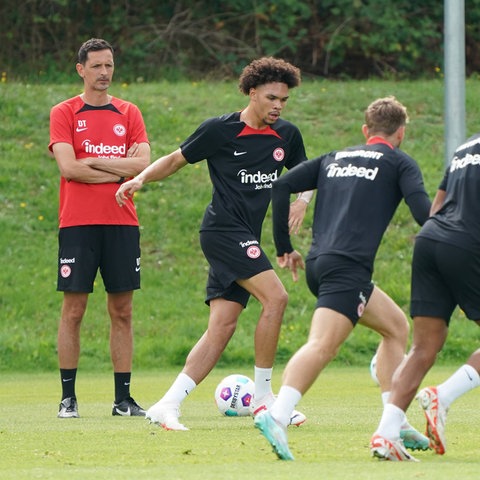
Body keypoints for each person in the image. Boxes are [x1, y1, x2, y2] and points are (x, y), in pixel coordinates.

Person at [115, 57, 311, 430]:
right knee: (277, 298)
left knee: (222, 326)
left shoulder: (287, 135)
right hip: (222, 232)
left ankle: (166, 406)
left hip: (244, 236)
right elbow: (175, 159)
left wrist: (302, 201)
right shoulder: (220, 131)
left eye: (284, 100)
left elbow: (307, 174)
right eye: (271, 98)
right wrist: (140, 179)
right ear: (251, 93)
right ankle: (264, 399)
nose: (278, 106)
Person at [253, 96, 432, 460]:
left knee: (396, 326)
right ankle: (278, 414)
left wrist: (284, 246)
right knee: (322, 346)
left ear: (366, 131)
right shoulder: (400, 162)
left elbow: (281, 186)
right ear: (401, 133)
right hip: (347, 269)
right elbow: (423, 214)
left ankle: (393, 421)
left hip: (322, 264)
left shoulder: (333, 158)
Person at [49, 38, 151, 418]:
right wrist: (117, 166)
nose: (104, 73)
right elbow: (69, 169)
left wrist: (92, 161)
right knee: (73, 311)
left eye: (109, 65)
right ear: (81, 70)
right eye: (96, 66)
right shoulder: (64, 112)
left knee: (122, 311)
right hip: (77, 224)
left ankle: (122, 401)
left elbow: (142, 166)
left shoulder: (129, 112)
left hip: (122, 223)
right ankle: (68, 398)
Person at [370, 132, 480, 461]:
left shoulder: (465, 147)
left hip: (431, 239)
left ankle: (386, 433)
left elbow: (438, 203)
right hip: (467, 243)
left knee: (423, 347)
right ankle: (442, 396)